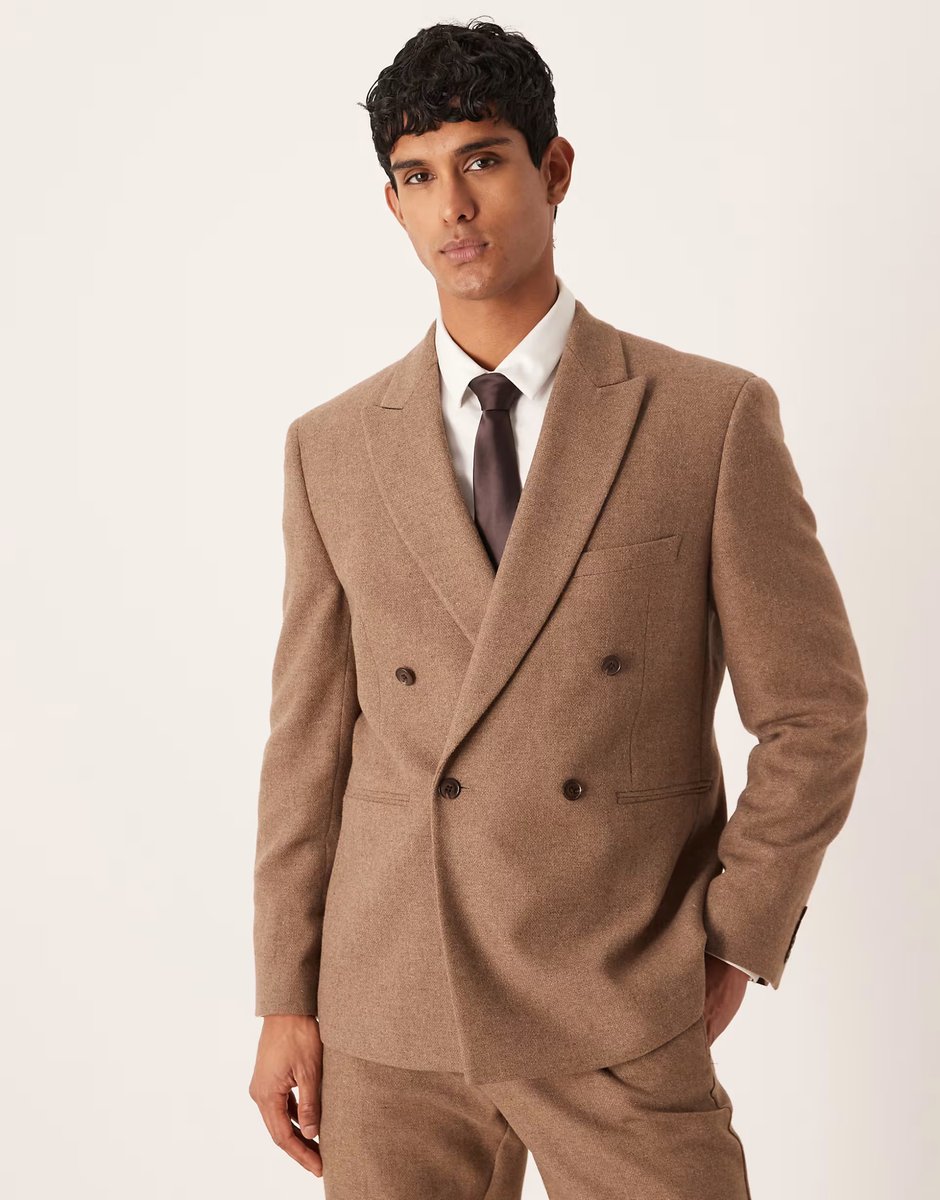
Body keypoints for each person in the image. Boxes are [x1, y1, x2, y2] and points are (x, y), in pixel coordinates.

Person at [248, 18, 868, 1198]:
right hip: (393, 1003)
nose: (452, 207)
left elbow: (815, 712)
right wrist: (286, 993)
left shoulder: (705, 418)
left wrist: (734, 933)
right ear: (391, 205)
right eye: (416, 177)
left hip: (614, 991)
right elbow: (308, 745)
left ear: (555, 169)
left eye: (482, 161)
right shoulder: (330, 448)